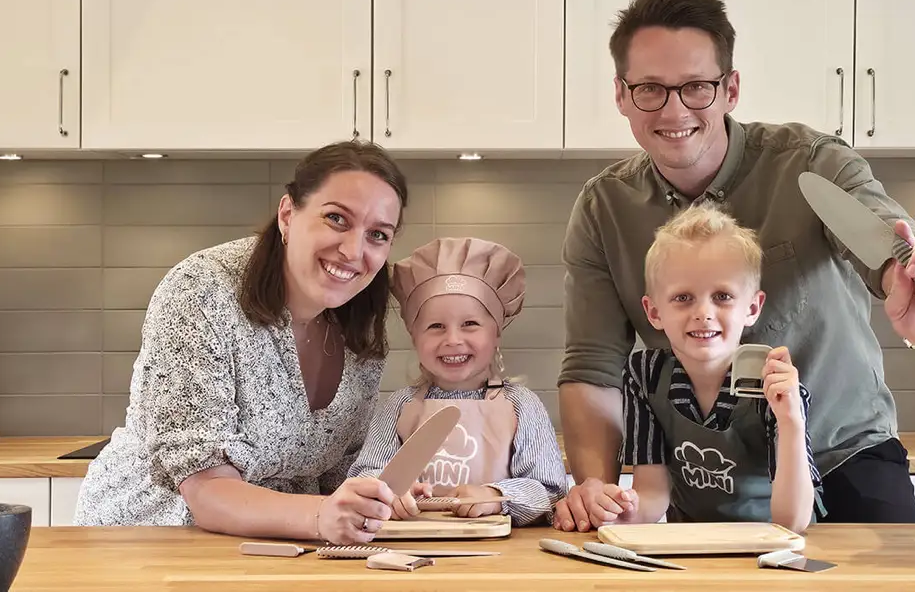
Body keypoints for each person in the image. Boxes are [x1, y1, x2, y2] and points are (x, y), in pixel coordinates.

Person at [554, 0, 915, 531]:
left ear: (730, 89)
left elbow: (886, 243)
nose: (674, 109)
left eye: (697, 86)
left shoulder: (812, 164)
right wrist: (597, 490)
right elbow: (592, 368)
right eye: (650, 88)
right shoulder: (603, 208)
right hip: (708, 480)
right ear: (622, 95)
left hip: (844, 454)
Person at [74, 140, 413, 546]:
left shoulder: (361, 325)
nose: (354, 250)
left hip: (286, 547)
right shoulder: (202, 290)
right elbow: (206, 490)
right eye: (337, 219)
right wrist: (322, 514)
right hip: (154, 542)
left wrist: (374, 498)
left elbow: (336, 475)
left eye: (378, 234)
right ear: (288, 214)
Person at [592, 202, 820, 534]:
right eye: (683, 297)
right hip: (689, 546)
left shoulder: (775, 387)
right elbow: (653, 493)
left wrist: (791, 420)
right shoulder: (644, 376)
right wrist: (622, 511)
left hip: (769, 552)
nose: (704, 312)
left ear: (752, 307)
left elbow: (792, 522)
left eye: (723, 296)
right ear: (653, 312)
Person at [348, 237, 567, 527]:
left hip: (499, 553)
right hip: (410, 546)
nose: (453, 340)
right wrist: (387, 491)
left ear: (497, 333)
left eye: (470, 324)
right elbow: (363, 475)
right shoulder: (400, 405)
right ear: (415, 337)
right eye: (435, 326)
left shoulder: (521, 405)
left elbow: (549, 490)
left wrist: (495, 496)